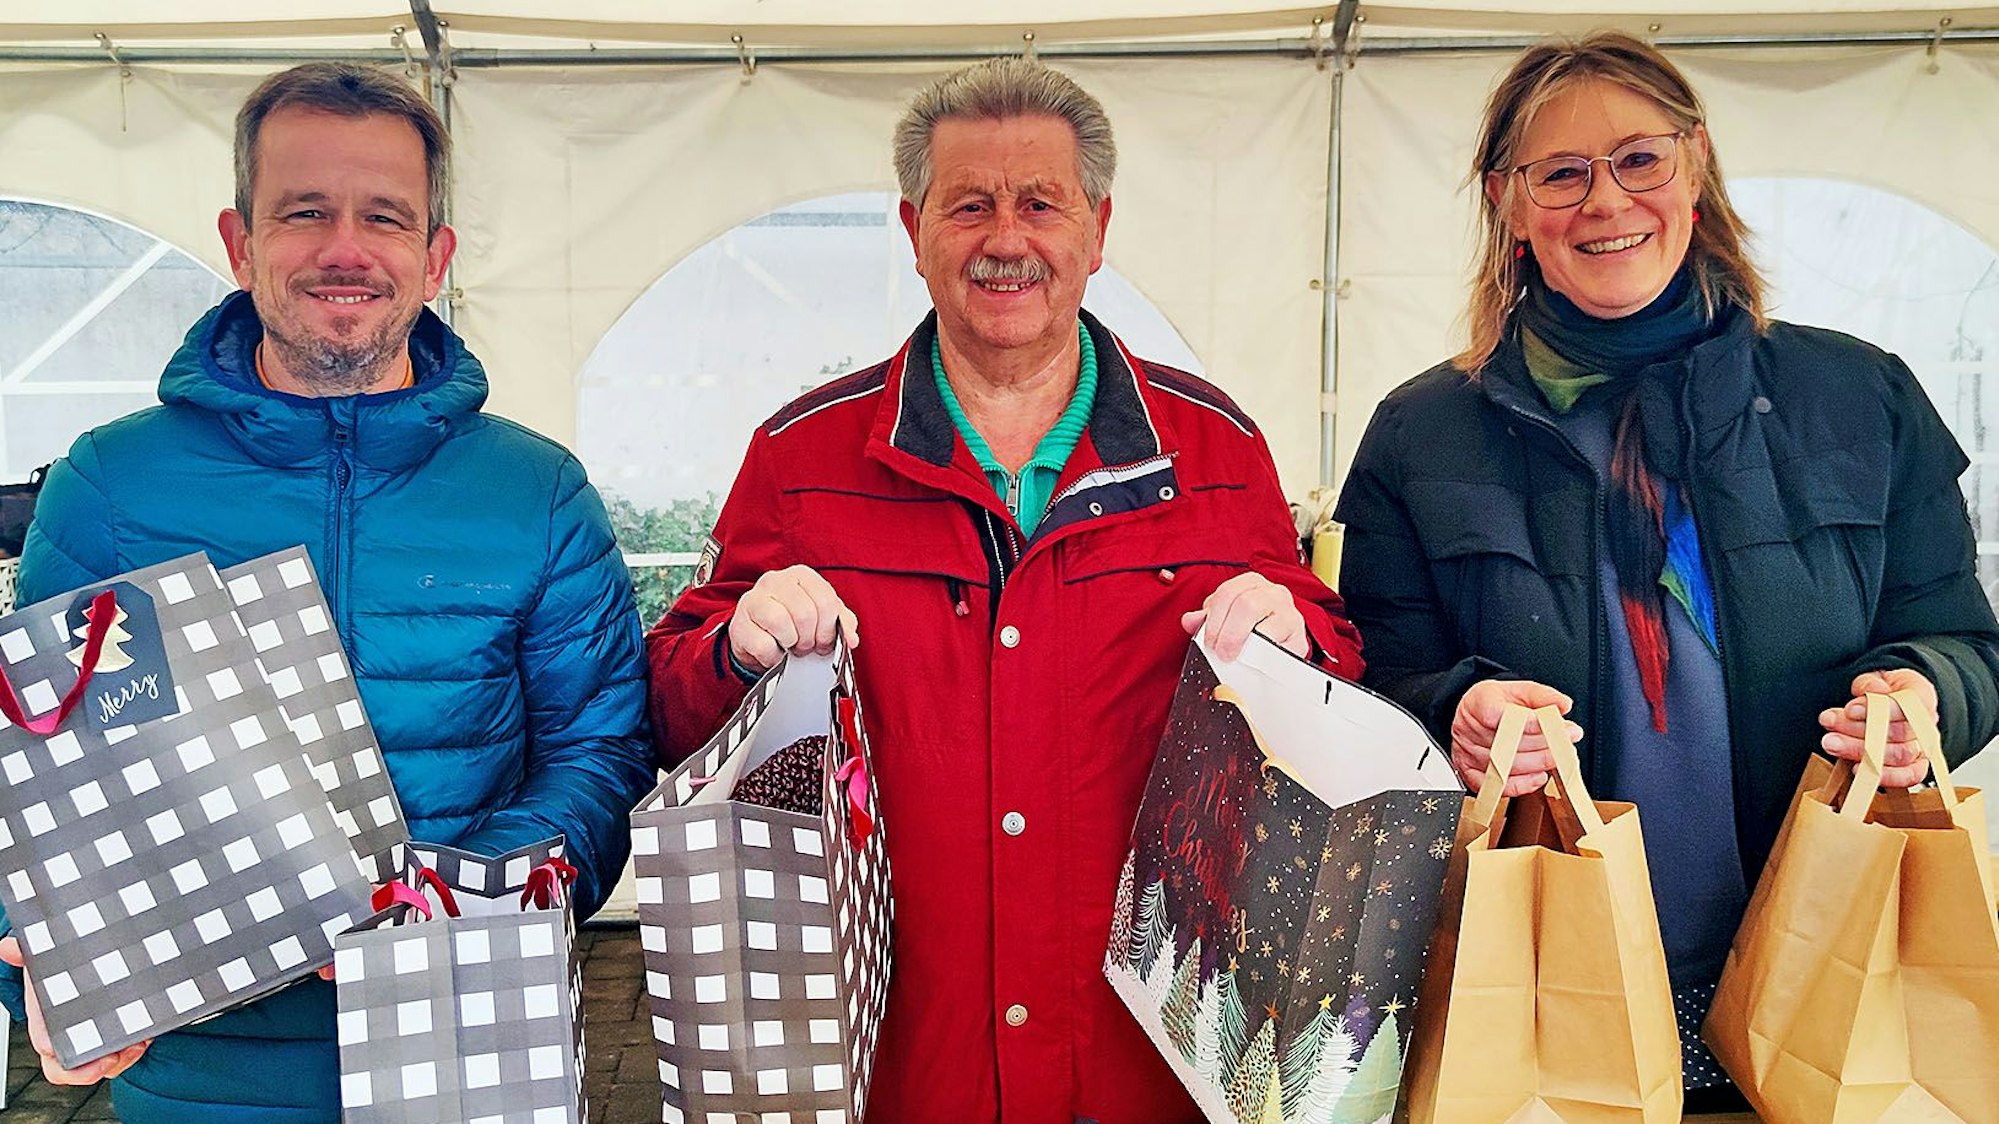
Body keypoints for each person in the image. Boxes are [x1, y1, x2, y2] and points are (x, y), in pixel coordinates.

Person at [646, 57, 1364, 1123]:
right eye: (969, 204)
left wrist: (1294, 634)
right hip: (900, 1051)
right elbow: (675, 705)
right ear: (915, 227)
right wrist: (737, 643)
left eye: (1041, 203)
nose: (1005, 238)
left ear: (1097, 227)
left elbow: (1336, 675)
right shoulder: (801, 457)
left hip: (1145, 1053)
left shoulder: (1212, 444)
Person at [1334, 30, 1999, 1109]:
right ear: (1507, 203)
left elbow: (1967, 642)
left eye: (1638, 158)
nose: (1605, 201)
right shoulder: (1424, 432)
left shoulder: (1858, 396)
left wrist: (1923, 691)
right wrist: (1454, 707)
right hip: (1542, 987)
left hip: (1824, 970)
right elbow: (1375, 680)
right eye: (1560, 172)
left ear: (1695, 171)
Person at [0, 63, 655, 1122]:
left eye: (384, 218)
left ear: (434, 256)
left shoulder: (533, 491)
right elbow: (30, 764)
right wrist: (40, 967)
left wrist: (464, 903)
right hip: (207, 1071)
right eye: (304, 211)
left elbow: (601, 749)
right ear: (239, 240)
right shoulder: (111, 484)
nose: (344, 249)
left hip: (470, 1041)